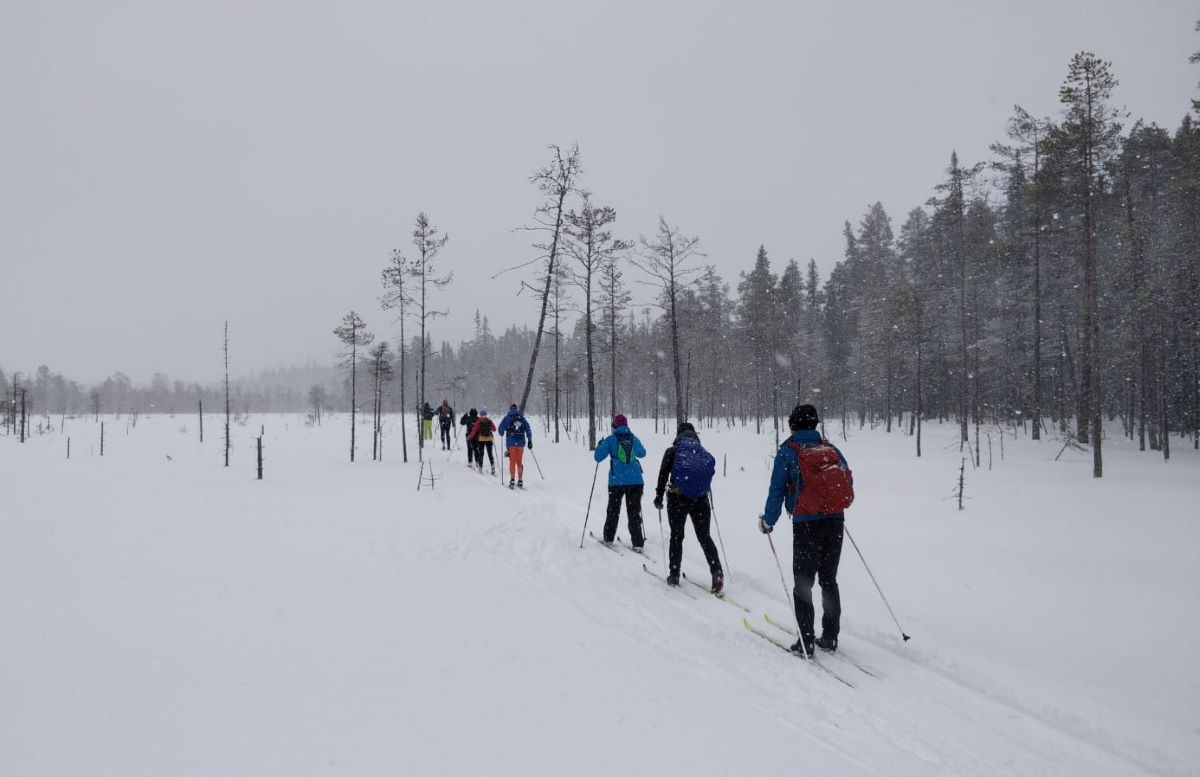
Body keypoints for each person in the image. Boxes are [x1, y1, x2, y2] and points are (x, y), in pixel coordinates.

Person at [758, 404, 852, 657]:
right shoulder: (830, 449)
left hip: (806, 523)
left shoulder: (789, 451)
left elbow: (776, 489)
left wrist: (768, 520)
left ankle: (806, 641)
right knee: (828, 580)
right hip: (835, 521)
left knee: (803, 582)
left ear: (793, 425)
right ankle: (830, 637)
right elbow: (847, 481)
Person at [653, 422, 722, 590]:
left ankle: (674, 574)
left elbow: (663, 474)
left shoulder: (673, 451)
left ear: (678, 435)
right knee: (705, 537)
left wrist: (659, 496)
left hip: (678, 498)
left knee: (677, 536)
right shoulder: (701, 452)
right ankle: (717, 571)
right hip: (701, 500)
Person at [593, 413, 646, 551]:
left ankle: (608, 538)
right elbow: (642, 453)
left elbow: (598, 457)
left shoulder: (611, 439)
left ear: (614, 426)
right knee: (634, 511)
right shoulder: (633, 438)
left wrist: (600, 446)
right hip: (636, 480)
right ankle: (638, 543)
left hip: (617, 481)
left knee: (613, 510)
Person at [496, 403, 533, 488]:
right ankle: (520, 480)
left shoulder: (507, 418)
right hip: (521, 443)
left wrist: (503, 431)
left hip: (511, 443)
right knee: (519, 461)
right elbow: (528, 428)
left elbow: (500, 430)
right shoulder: (521, 418)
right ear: (516, 409)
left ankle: (512, 480)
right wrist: (529, 440)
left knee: (512, 462)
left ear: (510, 409)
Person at [468, 408, 496, 474]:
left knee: (481, 454)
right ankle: (492, 467)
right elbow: (494, 429)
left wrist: (470, 436)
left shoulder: (479, 421)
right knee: (490, 454)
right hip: (489, 439)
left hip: (481, 439)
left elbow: (474, 430)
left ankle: (480, 469)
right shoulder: (489, 421)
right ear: (486, 415)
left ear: (480, 415)